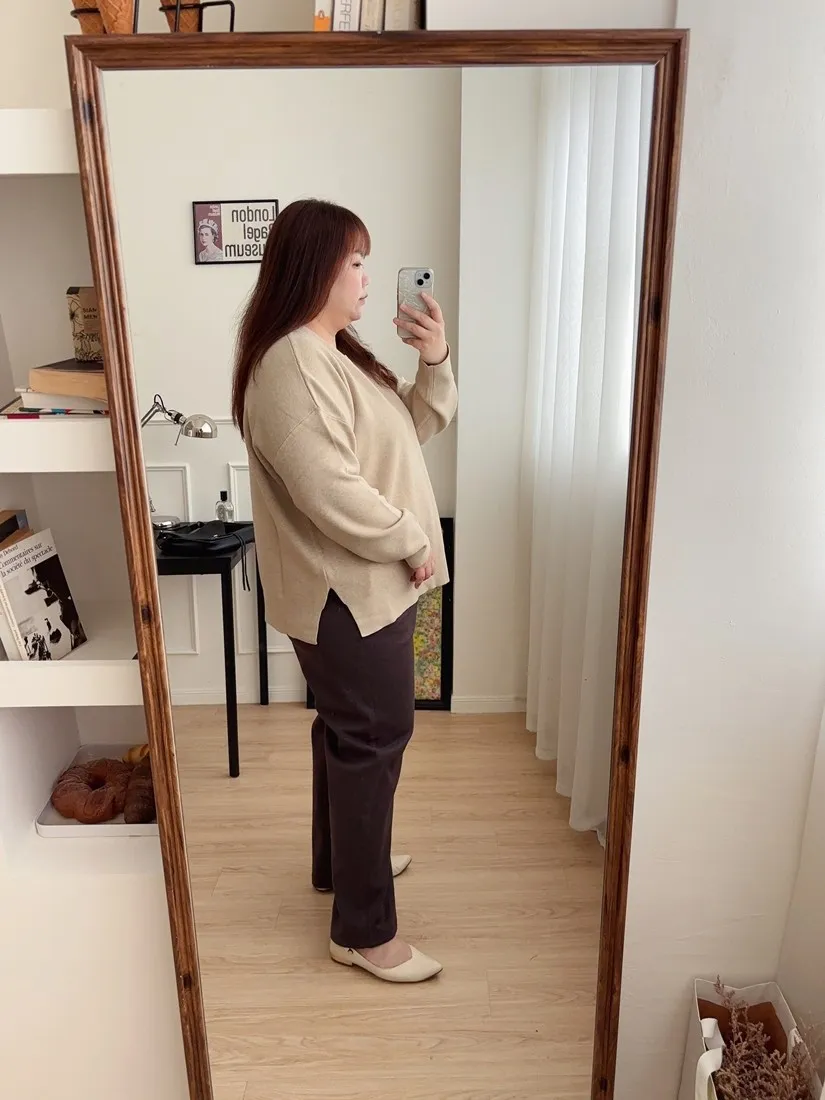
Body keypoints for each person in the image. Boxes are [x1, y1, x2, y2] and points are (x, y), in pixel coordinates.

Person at [231, 198, 457, 984]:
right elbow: (327, 488)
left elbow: (407, 434)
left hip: (365, 584)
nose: (366, 276)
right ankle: (363, 932)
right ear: (315, 267)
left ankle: (341, 866)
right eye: (355, 261)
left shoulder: (335, 353)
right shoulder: (293, 361)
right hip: (346, 591)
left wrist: (433, 359)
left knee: (350, 733)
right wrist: (411, 539)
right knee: (373, 737)